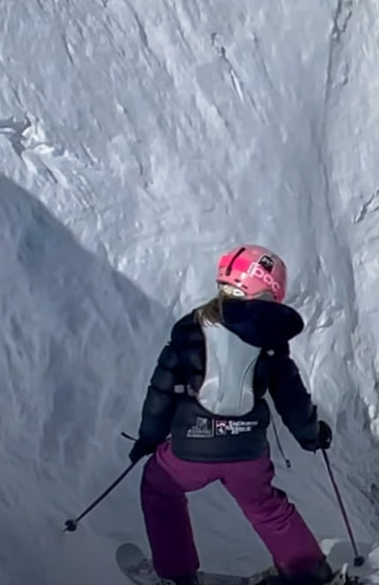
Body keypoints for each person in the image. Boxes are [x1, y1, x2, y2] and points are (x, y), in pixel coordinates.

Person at [128, 244, 337, 585]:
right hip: (247, 450)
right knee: (266, 507)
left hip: (191, 448)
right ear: (271, 288)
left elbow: (162, 390)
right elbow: (291, 397)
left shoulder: (190, 328)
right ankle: (308, 571)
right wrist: (311, 435)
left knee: (160, 488)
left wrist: (149, 438)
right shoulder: (271, 337)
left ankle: (177, 574)